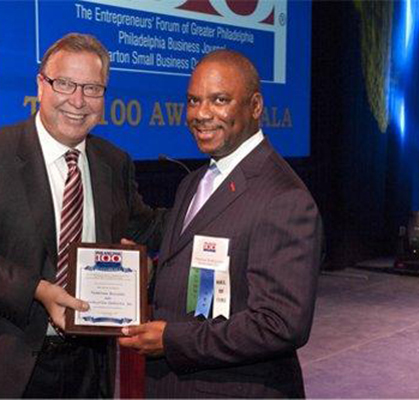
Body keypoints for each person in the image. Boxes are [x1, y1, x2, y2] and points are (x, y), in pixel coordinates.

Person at [0, 33, 163, 398]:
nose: (78, 101)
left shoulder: (114, 163)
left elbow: (145, 229)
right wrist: (37, 290)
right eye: (64, 84)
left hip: (86, 366)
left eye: (92, 88)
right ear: (41, 84)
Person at [119, 50, 324, 398]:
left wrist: (172, 340)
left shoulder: (284, 198)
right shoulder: (194, 182)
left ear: (255, 106)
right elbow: (207, 280)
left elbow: (279, 324)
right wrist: (149, 276)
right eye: (193, 101)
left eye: (219, 100)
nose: (201, 114)